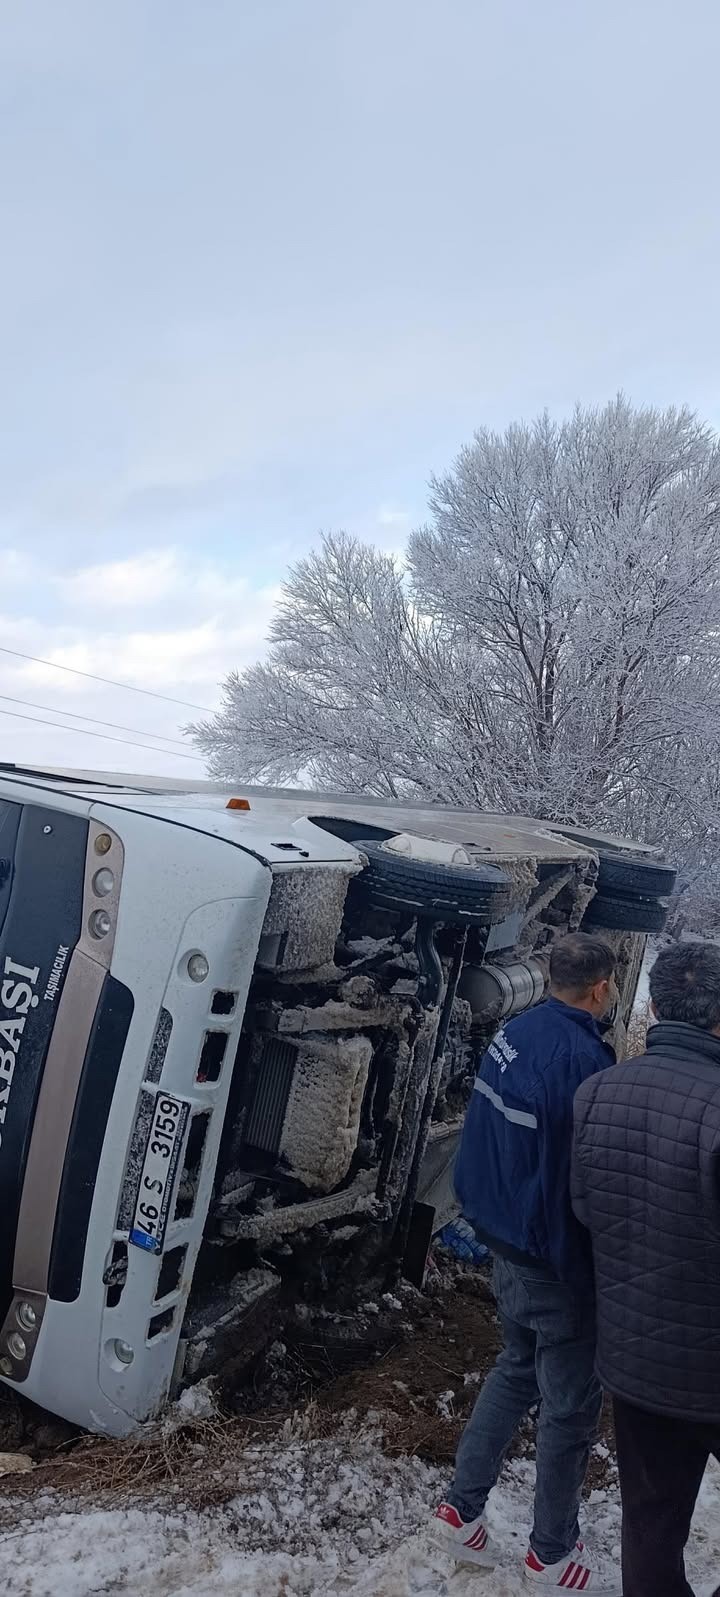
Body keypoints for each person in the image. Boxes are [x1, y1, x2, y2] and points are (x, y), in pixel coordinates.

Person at [432, 932, 618, 1592]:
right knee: (569, 1408)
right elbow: (579, 1178)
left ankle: (460, 1508)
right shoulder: (582, 1060)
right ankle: (551, 1552)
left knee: (516, 1367)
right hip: (550, 1258)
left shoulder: (518, 1031)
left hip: (504, 1236)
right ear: (600, 988)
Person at [572, 941, 720, 1597]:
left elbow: (586, 1210)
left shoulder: (597, 1092)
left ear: (655, 1006)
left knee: (652, 1526)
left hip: (636, 1361)